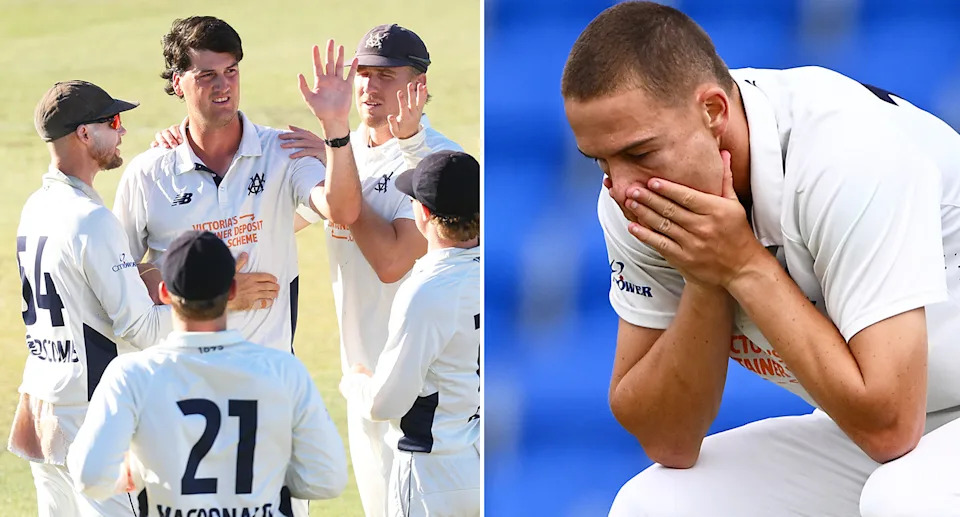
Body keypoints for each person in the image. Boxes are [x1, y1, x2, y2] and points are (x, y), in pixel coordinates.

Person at [561, 2, 960, 516]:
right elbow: (668, 440)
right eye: (601, 161)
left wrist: (742, 266)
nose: (623, 191)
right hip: (904, 429)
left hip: (901, 429)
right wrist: (706, 280)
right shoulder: (633, 198)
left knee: (904, 499)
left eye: (640, 154)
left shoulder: (847, 155)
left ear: (713, 112)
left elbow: (888, 424)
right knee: (654, 504)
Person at [153, 23, 464, 517]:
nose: (368, 86)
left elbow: (392, 261)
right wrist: (187, 144)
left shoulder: (437, 162)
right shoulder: (340, 152)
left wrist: (340, 163)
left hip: (424, 389)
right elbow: (264, 220)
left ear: (418, 84)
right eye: (362, 72)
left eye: (386, 75)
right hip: (363, 377)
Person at [67, 230, 348, 516]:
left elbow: (89, 478)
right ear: (233, 292)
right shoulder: (284, 371)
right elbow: (327, 480)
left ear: (165, 293)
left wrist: (139, 468)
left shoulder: (130, 375)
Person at [113, 16, 333, 358]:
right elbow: (116, 278)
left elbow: (338, 209)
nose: (223, 85)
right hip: (180, 381)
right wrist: (218, 296)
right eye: (207, 75)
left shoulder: (283, 153)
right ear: (178, 82)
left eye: (231, 71)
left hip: (265, 378)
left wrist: (337, 142)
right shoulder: (148, 172)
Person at [8, 80, 173, 517]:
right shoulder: (91, 220)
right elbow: (142, 331)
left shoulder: (36, 207)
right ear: (84, 134)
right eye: (113, 122)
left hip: (42, 399)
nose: (122, 133)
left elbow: (76, 290)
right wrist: (205, 303)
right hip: (88, 413)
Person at [339, 150, 481, 517]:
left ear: (424, 214)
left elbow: (384, 403)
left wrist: (354, 382)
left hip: (431, 477)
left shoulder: (427, 291)